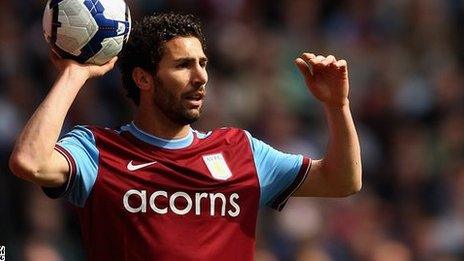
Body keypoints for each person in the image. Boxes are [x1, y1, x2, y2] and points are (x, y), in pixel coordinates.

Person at [9, 13, 362, 260]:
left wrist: (337, 105)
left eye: (203, 63)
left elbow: (342, 180)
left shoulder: (240, 150)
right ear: (144, 79)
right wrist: (75, 73)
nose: (200, 77)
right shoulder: (97, 150)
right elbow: (30, 161)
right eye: (183, 65)